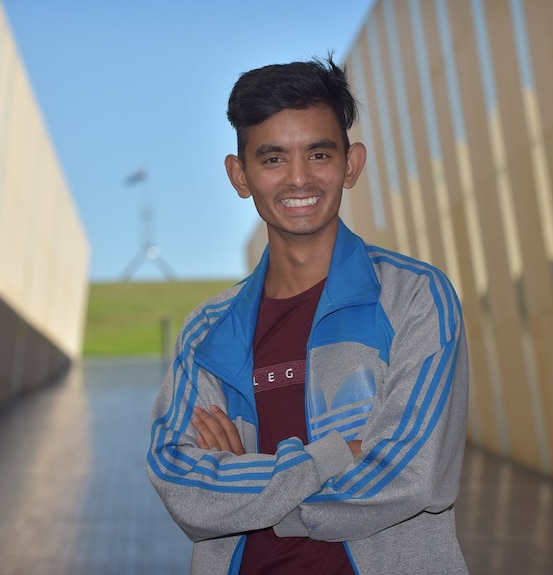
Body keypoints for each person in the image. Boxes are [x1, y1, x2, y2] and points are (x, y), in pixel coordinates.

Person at [147, 54, 470, 574]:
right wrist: (339, 454)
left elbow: (414, 474)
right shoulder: (209, 330)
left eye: (318, 154)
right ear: (240, 175)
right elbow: (180, 481)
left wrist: (245, 486)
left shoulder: (415, 297)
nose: (299, 179)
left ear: (351, 164)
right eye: (273, 159)